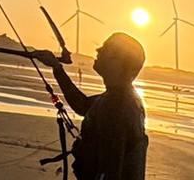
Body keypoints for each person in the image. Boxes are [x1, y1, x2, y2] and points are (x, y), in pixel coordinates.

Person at [34, 32, 148, 180]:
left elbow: (112, 168)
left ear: (121, 64)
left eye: (107, 49)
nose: (98, 50)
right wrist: (57, 67)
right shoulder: (118, 96)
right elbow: (82, 104)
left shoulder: (118, 106)